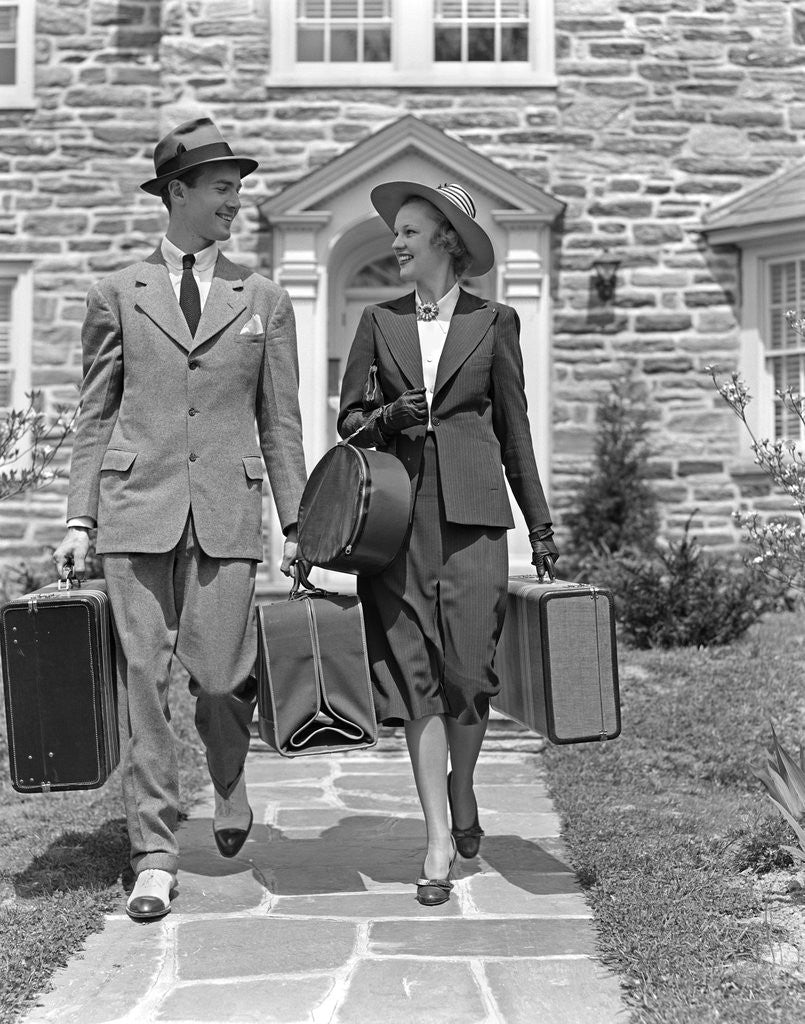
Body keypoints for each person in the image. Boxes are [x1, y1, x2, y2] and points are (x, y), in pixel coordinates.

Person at [53, 117, 307, 921]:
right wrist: (77, 519)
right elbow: (95, 417)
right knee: (143, 685)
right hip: (136, 511)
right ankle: (155, 854)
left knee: (225, 680)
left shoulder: (262, 297)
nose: (236, 202)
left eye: (237, 188)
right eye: (223, 189)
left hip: (229, 509)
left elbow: (282, 422)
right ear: (178, 194)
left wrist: (296, 521)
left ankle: (229, 781)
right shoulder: (114, 293)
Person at [338, 181, 558, 906]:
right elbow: (349, 423)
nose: (394, 243)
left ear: (446, 242)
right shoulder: (378, 319)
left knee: (468, 673)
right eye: (394, 231)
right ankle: (437, 833)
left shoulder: (495, 322)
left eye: (407, 232)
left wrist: (541, 525)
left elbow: (515, 432)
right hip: (395, 522)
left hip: (472, 516)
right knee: (413, 679)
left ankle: (462, 785)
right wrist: (388, 415)